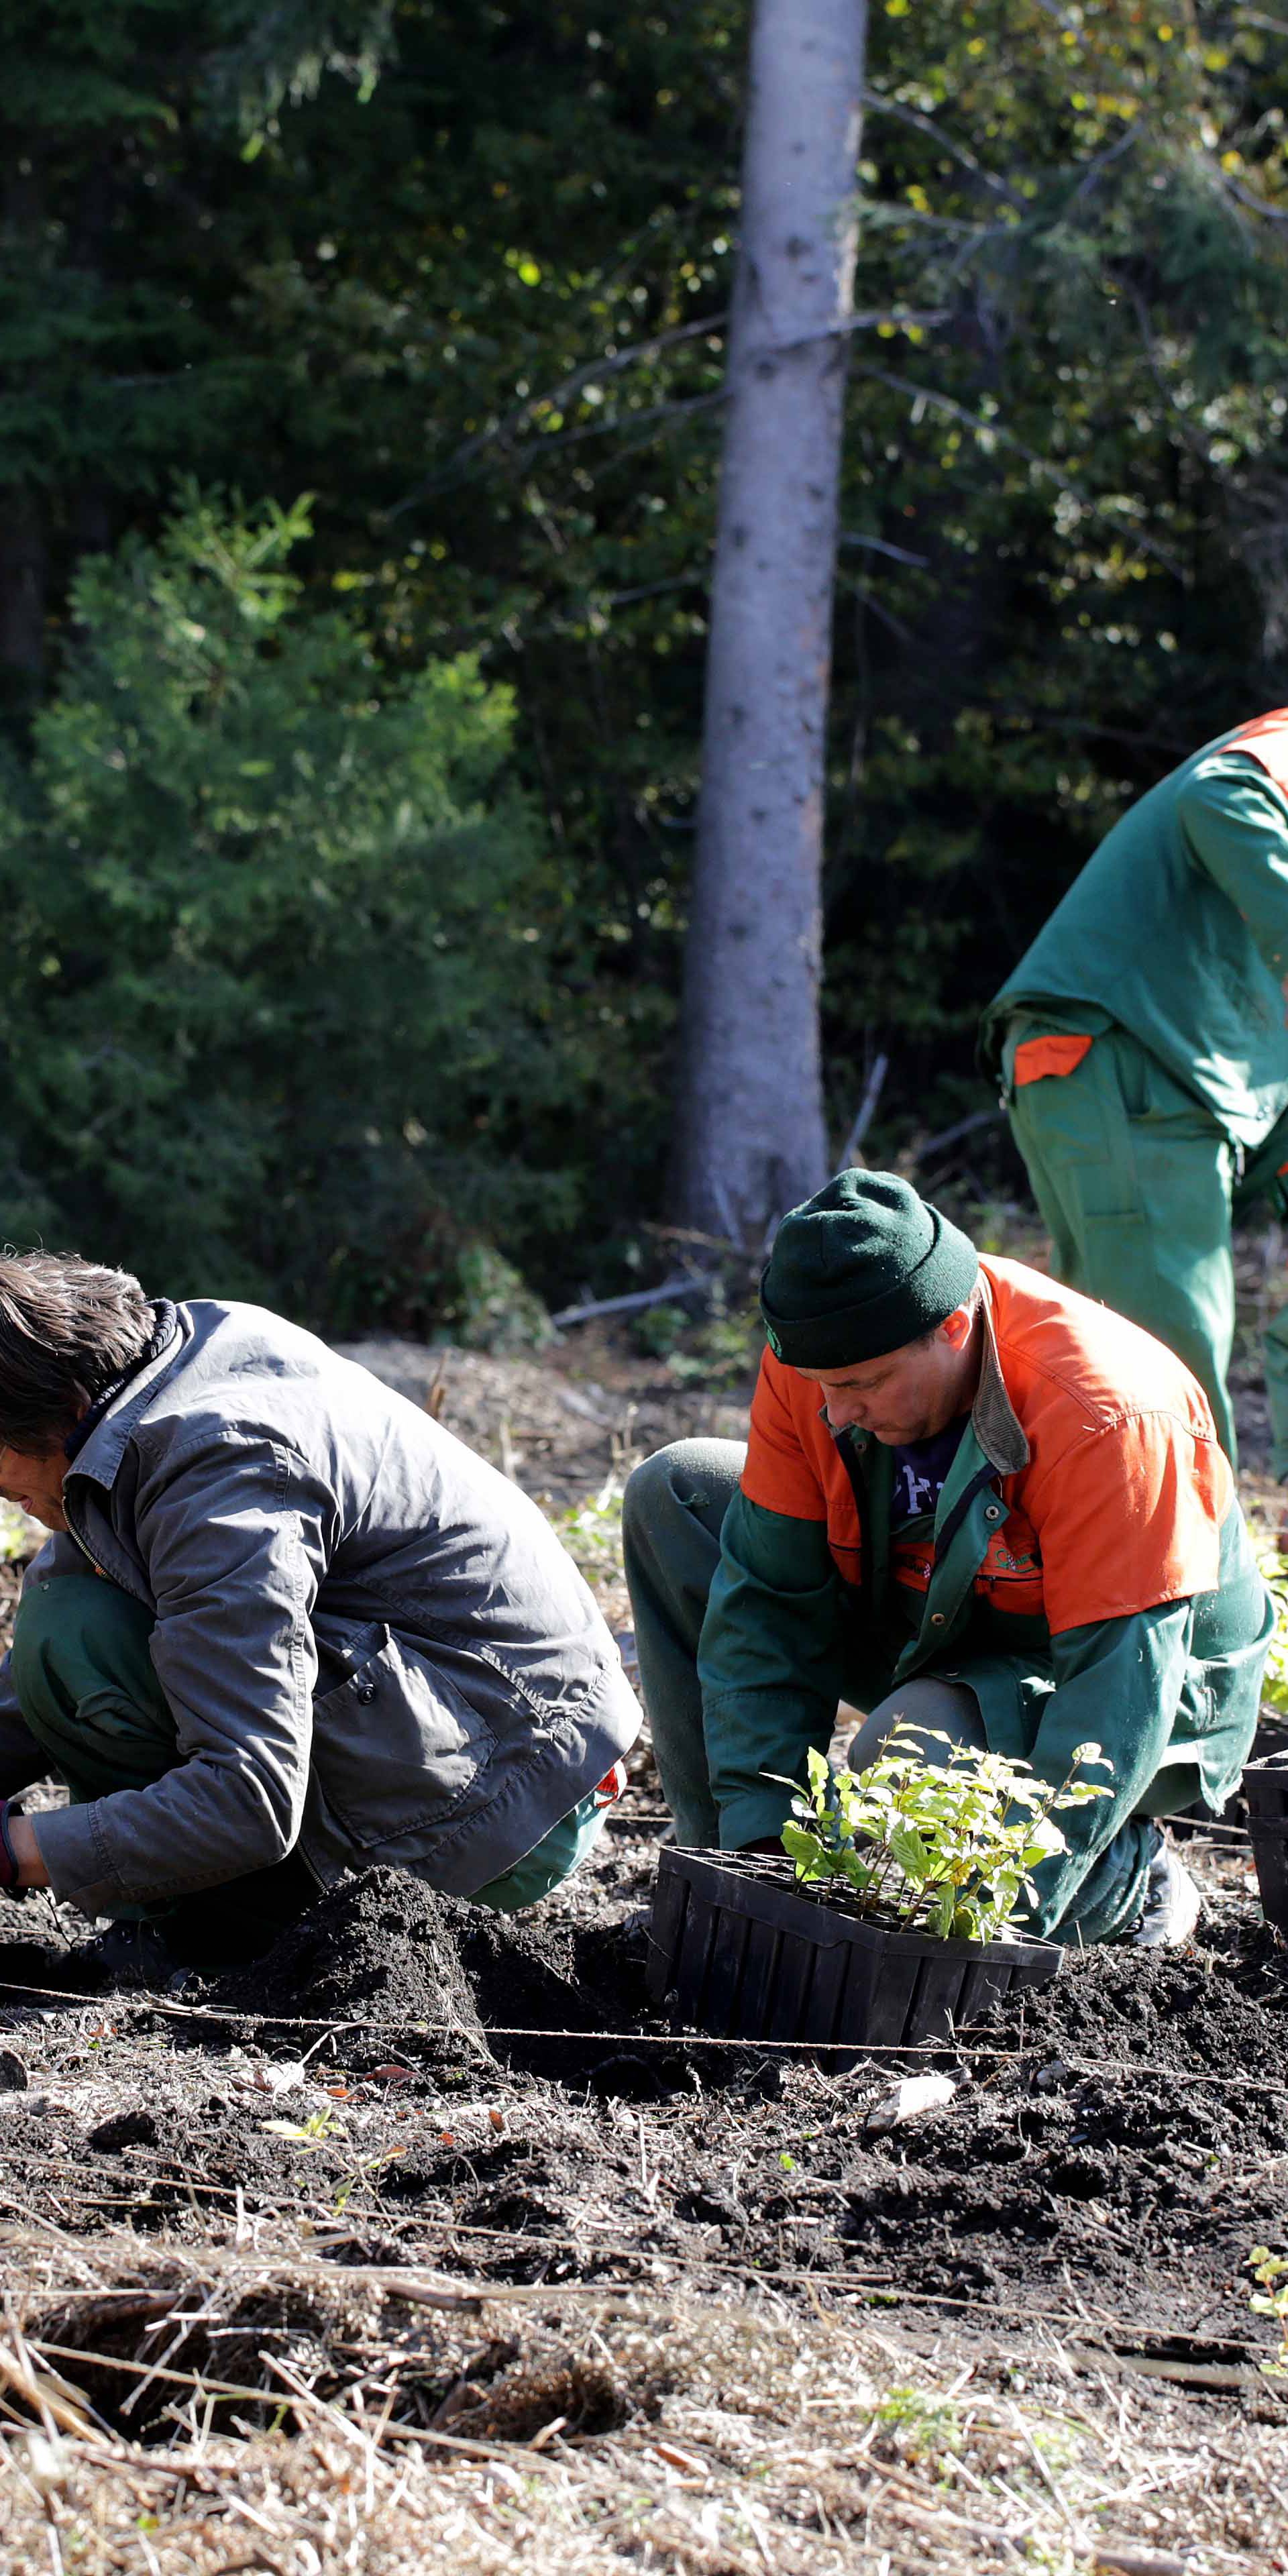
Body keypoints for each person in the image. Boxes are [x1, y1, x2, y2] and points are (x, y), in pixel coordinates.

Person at [623, 1170, 1273, 1947]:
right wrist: (765, 1862)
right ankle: (722, 1893)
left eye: (863, 1385)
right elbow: (766, 1606)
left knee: (906, 1746)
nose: (837, 1413)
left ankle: (1126, 1881)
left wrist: (1008, 1923)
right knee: (681, 1496)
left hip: (1139, 1680)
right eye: (823, 1386)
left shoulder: (1106, 1415)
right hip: (944, 1615)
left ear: (956, 1329)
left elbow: (1118, 1695)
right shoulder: (827, 1359)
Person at [0, 1252, 639, 1979]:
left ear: (68, 1407)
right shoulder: (168, 1371)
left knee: (74, 1631)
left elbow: (249, 1797)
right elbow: (27, 1691)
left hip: (504, 1804)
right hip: (477, 1725)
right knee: (70, 1617)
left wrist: (16, 1852)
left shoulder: (215, 1465)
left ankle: (212, 1933)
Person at [980, 706, 1288, 1478]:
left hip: (1182, 1077)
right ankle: (1190, 1584)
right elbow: (1218, 795)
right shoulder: (1270, 755)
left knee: (1114, 1369)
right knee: (1157, 1366)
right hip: (1116, 1059)